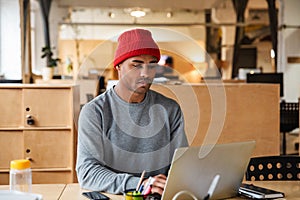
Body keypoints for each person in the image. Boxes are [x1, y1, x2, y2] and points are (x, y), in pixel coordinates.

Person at [76, 28, 188, 195]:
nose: (145, 73)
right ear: (118, 66)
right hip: (115, 196)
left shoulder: (170, 109)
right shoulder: (94, 112)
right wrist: (140, 184)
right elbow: (87, 173)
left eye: (151, 65)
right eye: (136, 65)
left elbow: (182, 165)